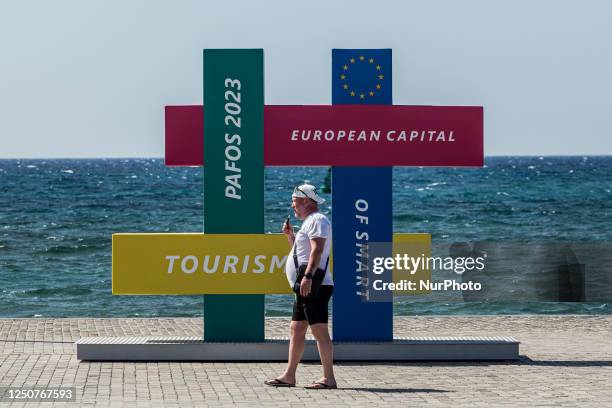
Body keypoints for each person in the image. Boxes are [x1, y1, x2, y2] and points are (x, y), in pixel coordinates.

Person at [265, 183, 336, 389]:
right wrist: (291, 236)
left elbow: (317, 251)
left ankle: (328, 379)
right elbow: (303, 251)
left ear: (306, 200)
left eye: (294, 201)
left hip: (313, 285)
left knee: (319, 331)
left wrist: (307, 276)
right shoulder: (310, 222)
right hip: (304, 285)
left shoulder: (318, 220)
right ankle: (289, 375)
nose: (292, 205)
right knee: (296, 329)